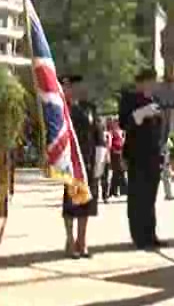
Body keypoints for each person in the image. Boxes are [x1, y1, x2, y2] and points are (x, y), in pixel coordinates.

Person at [118, 69, 168, 250]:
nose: (153, 85)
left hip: (154, 156)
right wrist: (140, 114)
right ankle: (139, 237)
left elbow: (161, 128)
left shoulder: (156, 102)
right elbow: (124, 123)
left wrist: (163, 148)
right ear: (141, 82)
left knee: (150, 198)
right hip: (137, 155)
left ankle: (150, 234)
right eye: (150, 82)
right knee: (137, 197)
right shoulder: (130, 100)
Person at [60, 75, 105, 259]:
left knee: (86, 203)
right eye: (70, 86)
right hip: (71, 162)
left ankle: (82, 241)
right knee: (71, 203)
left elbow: (99, 133)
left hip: (89, 160)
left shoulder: (90, 108)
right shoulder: (64, 109)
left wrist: (101, 159)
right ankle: (70, 240)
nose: (77, 89)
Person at [109, 119, 127, 197]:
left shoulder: (121, 132)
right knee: (119, 172)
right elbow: (110, 144)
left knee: (118, 173)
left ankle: (114, 191)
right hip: (115, 154)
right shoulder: (111, 133)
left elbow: (123, 142)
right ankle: (121, 191)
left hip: (121, 153)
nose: (116, 124)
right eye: (115, 123)